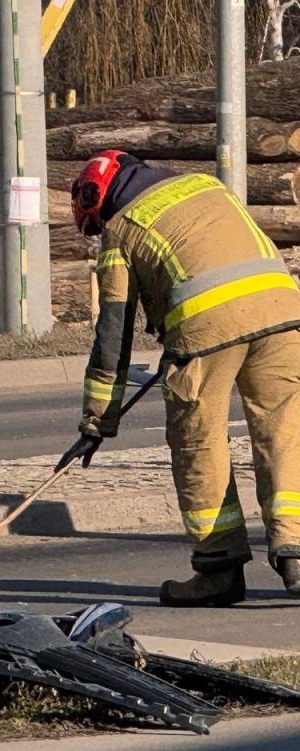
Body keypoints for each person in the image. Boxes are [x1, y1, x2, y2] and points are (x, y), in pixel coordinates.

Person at [72, 150, 300, 606]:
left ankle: (219, 569)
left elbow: (112, 336)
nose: (100, 234)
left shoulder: (122, 230)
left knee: (198, 440)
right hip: (285, 312)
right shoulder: (207, 185)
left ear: (99, 199)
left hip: (207, 331)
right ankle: (296, 554)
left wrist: (98, 419)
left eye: (94, 225)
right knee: (285, 434)